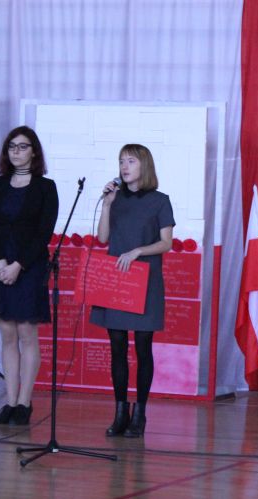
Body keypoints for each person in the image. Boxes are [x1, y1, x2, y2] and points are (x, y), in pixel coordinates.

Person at [90, 144, 175, 438]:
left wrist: (138, 251)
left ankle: (140, 414)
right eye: (121, 161)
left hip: (145, 281)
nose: (124, 167)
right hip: (117, 281)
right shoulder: (116, 198)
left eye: (130, 161)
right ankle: (120, 412)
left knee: (142, 347)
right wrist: (107, 205)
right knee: (117, 347)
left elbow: (166, 243)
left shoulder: (160, 201)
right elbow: (103, 238)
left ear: (144, 166)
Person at [0, 126, 59, 426]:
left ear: (34, 152)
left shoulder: (45, 187)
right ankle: (10, 401)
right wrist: (1, 262)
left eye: (23, 146)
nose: (16, 151)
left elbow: (44, 233)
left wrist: (18, 265)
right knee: (7, 335)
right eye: (12, 146)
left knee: (27, 334)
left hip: (29, 266)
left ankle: (25, 402)